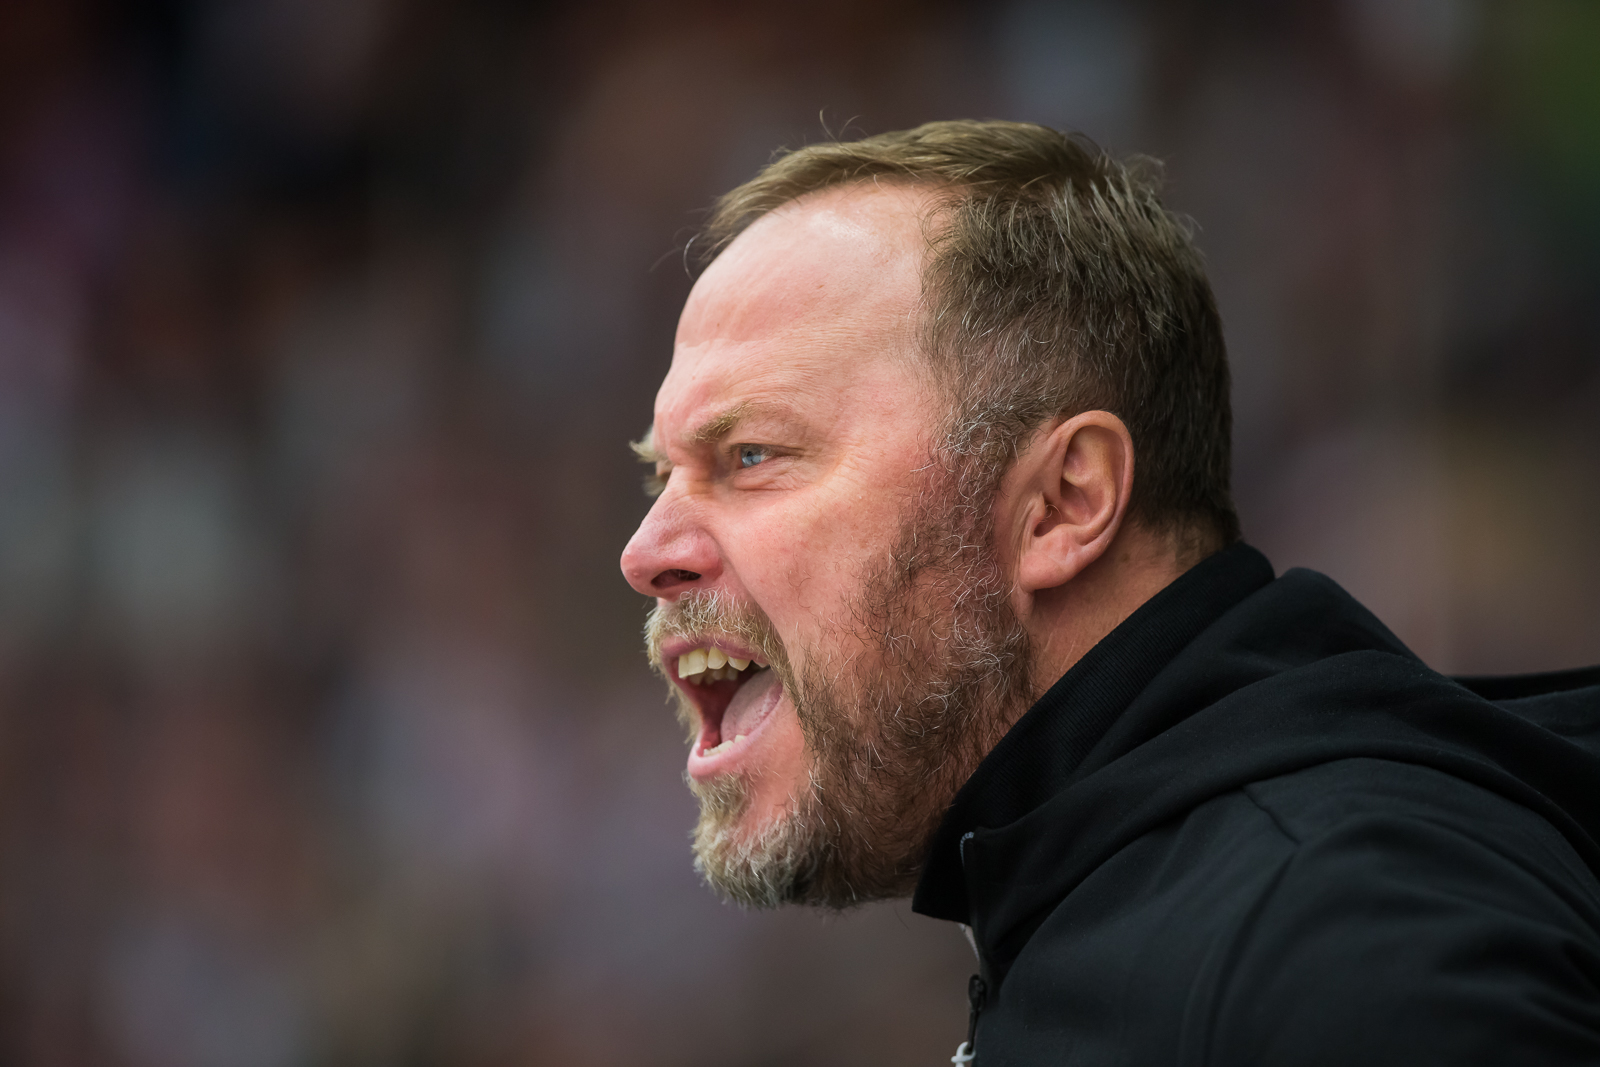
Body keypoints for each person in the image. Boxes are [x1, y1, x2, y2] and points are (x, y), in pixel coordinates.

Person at [618, 120, 1600, 1064]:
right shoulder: (1160, 891)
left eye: (752, 455)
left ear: (1062, 503)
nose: (645, 550)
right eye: (662, 474)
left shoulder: (1335, 931)